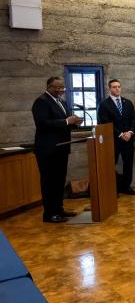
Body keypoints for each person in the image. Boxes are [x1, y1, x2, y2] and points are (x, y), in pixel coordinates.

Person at [32, 76, 84, 222]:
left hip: (62, 148)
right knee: (49, 182)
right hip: (47, 150)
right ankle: (49, 214)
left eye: (62, 88)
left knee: (59, 181)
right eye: (58, 87)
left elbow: (65, 123)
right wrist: (67, 121)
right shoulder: (41, 102)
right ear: (49, 86)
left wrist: (75, 123)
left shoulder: (62, 102)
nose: (61, 90)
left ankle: (59, 209)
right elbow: (43, 124)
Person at [97, 79, 135, 195]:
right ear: (109, 88)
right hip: (113, 140)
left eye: (119, 86)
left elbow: (134, 119)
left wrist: (130, 132)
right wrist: (120, 134)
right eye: (114, 87)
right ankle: (112, 189)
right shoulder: (104, 104)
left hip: (128, 139)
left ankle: (126, 186)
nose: (117, 89)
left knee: (128, 163)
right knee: (110, 164)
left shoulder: (127, 102)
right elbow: (104, 122)